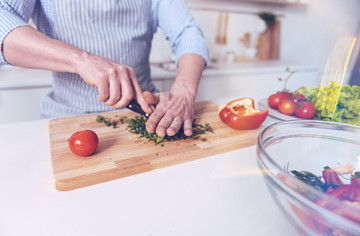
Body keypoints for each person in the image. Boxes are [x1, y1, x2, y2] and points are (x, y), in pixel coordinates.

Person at [0, 0, 209, 137]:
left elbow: (187, 32)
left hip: (146, 117)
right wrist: (81, 60)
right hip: (67, 120)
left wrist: (184, 91)